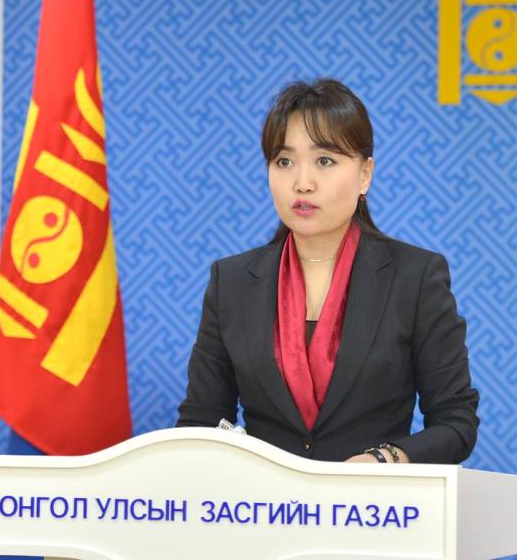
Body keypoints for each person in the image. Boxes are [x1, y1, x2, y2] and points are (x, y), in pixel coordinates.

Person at [177, 79, 479, 464]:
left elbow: (456, 422)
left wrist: (386, 459)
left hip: (375, 499)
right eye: (284, 162)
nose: (302, 183)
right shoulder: (232, 282)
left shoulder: (414, 277)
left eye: (324, 161)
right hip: (265, 500)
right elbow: (200, 423)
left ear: (365, 174)